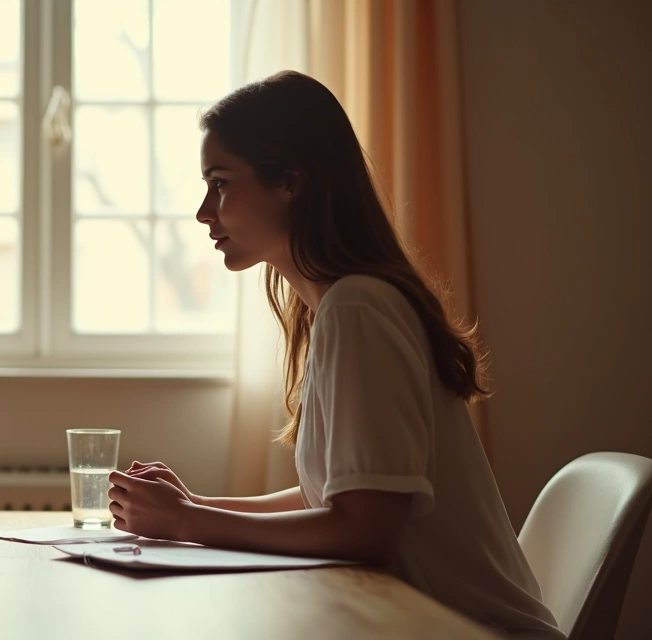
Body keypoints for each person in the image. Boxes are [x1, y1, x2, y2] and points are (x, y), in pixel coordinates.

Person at [106, 71, 562, 639]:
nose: (204, 211)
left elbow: (366, 531)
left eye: (220, 183)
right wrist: (194, 505)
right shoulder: (337, 308)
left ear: (290, 182)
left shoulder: (359, 308)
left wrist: (188, 521)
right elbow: (334, 500)